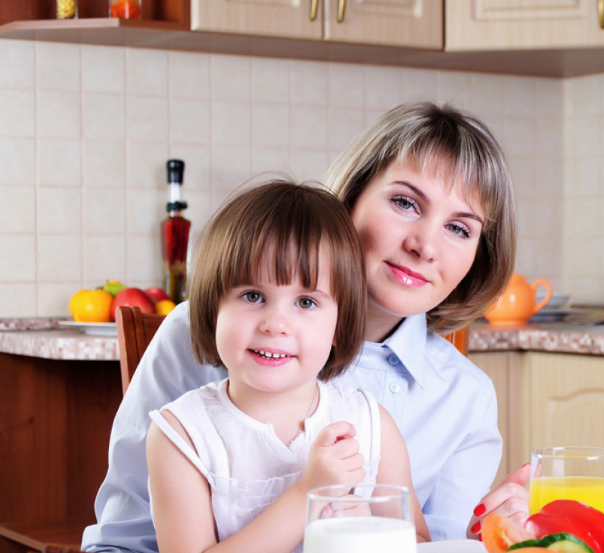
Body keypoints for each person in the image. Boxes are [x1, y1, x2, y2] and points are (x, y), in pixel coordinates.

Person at [83, 101, 521, 552]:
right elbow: (122, 541)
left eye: (459, 229)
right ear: (350, 198)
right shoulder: (205, 340)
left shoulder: (464, 399)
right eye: (405, 203)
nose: (424, 245)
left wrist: (488, 532)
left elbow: (427, 546)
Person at [145, 180, 430, 552]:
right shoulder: (182, 436)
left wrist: (368, 525)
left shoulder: (370, 425)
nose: (275, 324)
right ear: (212, 308)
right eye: (253, 295)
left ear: (339, 326)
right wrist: (306, 494)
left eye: (306, 302)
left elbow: (422, 543)